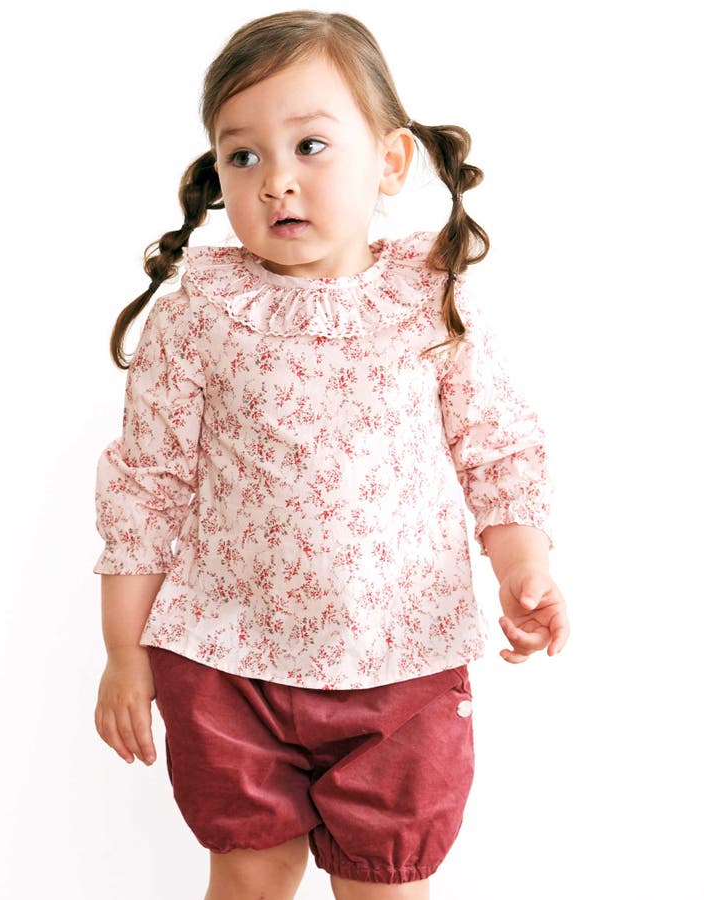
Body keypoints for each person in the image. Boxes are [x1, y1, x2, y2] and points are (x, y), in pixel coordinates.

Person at [92, 10, 570, 899]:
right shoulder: (199, 315)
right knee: (248, 879)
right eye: (243, 156)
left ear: (389, 161)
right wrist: (125, 650)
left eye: (310, 146)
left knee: (387, 884)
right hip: (227, 659)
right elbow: (147, 489)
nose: (276, 181)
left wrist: (522, 569)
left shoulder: (431, 302)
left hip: (404, 661)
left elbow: (497, 453)